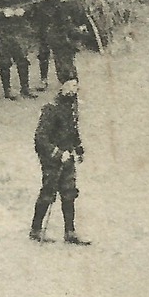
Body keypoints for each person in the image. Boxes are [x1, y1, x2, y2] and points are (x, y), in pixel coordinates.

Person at [30, 78, 90, 244]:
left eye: (76, 86)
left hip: (67, 156)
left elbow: (72, 131)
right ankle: (35, 230)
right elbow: (40, 138)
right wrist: (57, 153)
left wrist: (78, 149)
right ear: (62, 87)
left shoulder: (71, 108)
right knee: (48, 193)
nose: (74, 90)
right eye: (70, 86)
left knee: (69, 192)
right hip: (51, 159)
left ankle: (70, 232)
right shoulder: (51, 109)